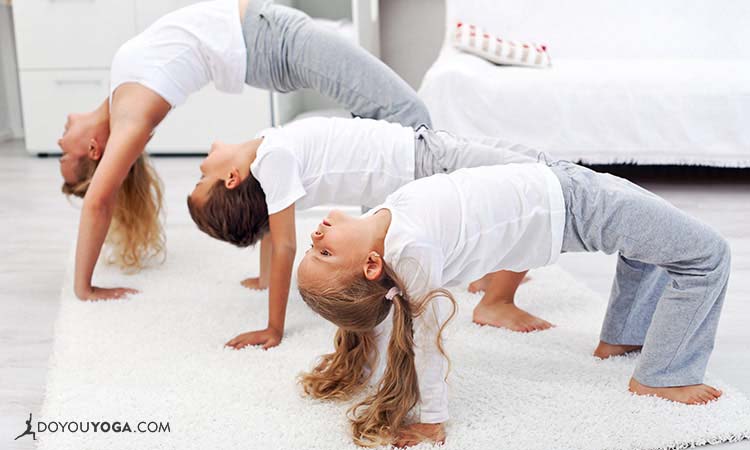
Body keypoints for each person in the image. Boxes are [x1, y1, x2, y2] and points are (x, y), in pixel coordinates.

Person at [295, 162, 730, 447]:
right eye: (325, 254)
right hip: (577, 204)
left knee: (650, 245)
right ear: (372, 265)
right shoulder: (411, 252)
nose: (315, 238)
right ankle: (662, 376)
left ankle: (621, 339)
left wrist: (360, 342)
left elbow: (381, 313)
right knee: (707, 255)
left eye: (313, 251)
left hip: (563, 185)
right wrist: (432, 418)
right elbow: (424, 339)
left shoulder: (385, 228)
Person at [57, 0, 430, 301]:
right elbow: (99, 200)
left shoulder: (121, 94)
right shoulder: (132, 114)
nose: (59, 143)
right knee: (409, 116)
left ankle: (378, 253)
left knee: (381, 125)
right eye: (64, 156)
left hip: (268, 35)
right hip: (275, 40)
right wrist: (83, 287)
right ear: (93, 149)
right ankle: (390, 254)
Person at [187, 116, 549, 349]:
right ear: (231, 178)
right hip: (418, 160)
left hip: (416, 152)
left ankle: (488, 280)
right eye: (203, 180)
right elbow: (283, 243)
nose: (201, 168)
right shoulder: (273, 158)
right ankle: (496, 302)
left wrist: (265, 277)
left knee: (516, 183)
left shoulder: (265, 149)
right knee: (533, 174)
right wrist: (273, 328)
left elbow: (268, 216)